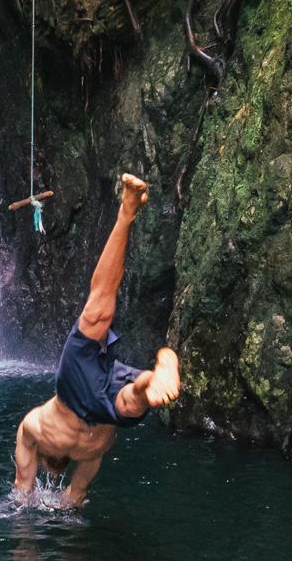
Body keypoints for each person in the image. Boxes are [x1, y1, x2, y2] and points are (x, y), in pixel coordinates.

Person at [12, 171, 182, 506]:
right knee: (131, 397)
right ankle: (161, 366)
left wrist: (25, 551)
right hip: (98, 399)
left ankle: (127, 210)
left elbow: (24, 486)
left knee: (100, 313)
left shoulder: (33, 429)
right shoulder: (90, 454)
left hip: (75, 392)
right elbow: (76, 494)